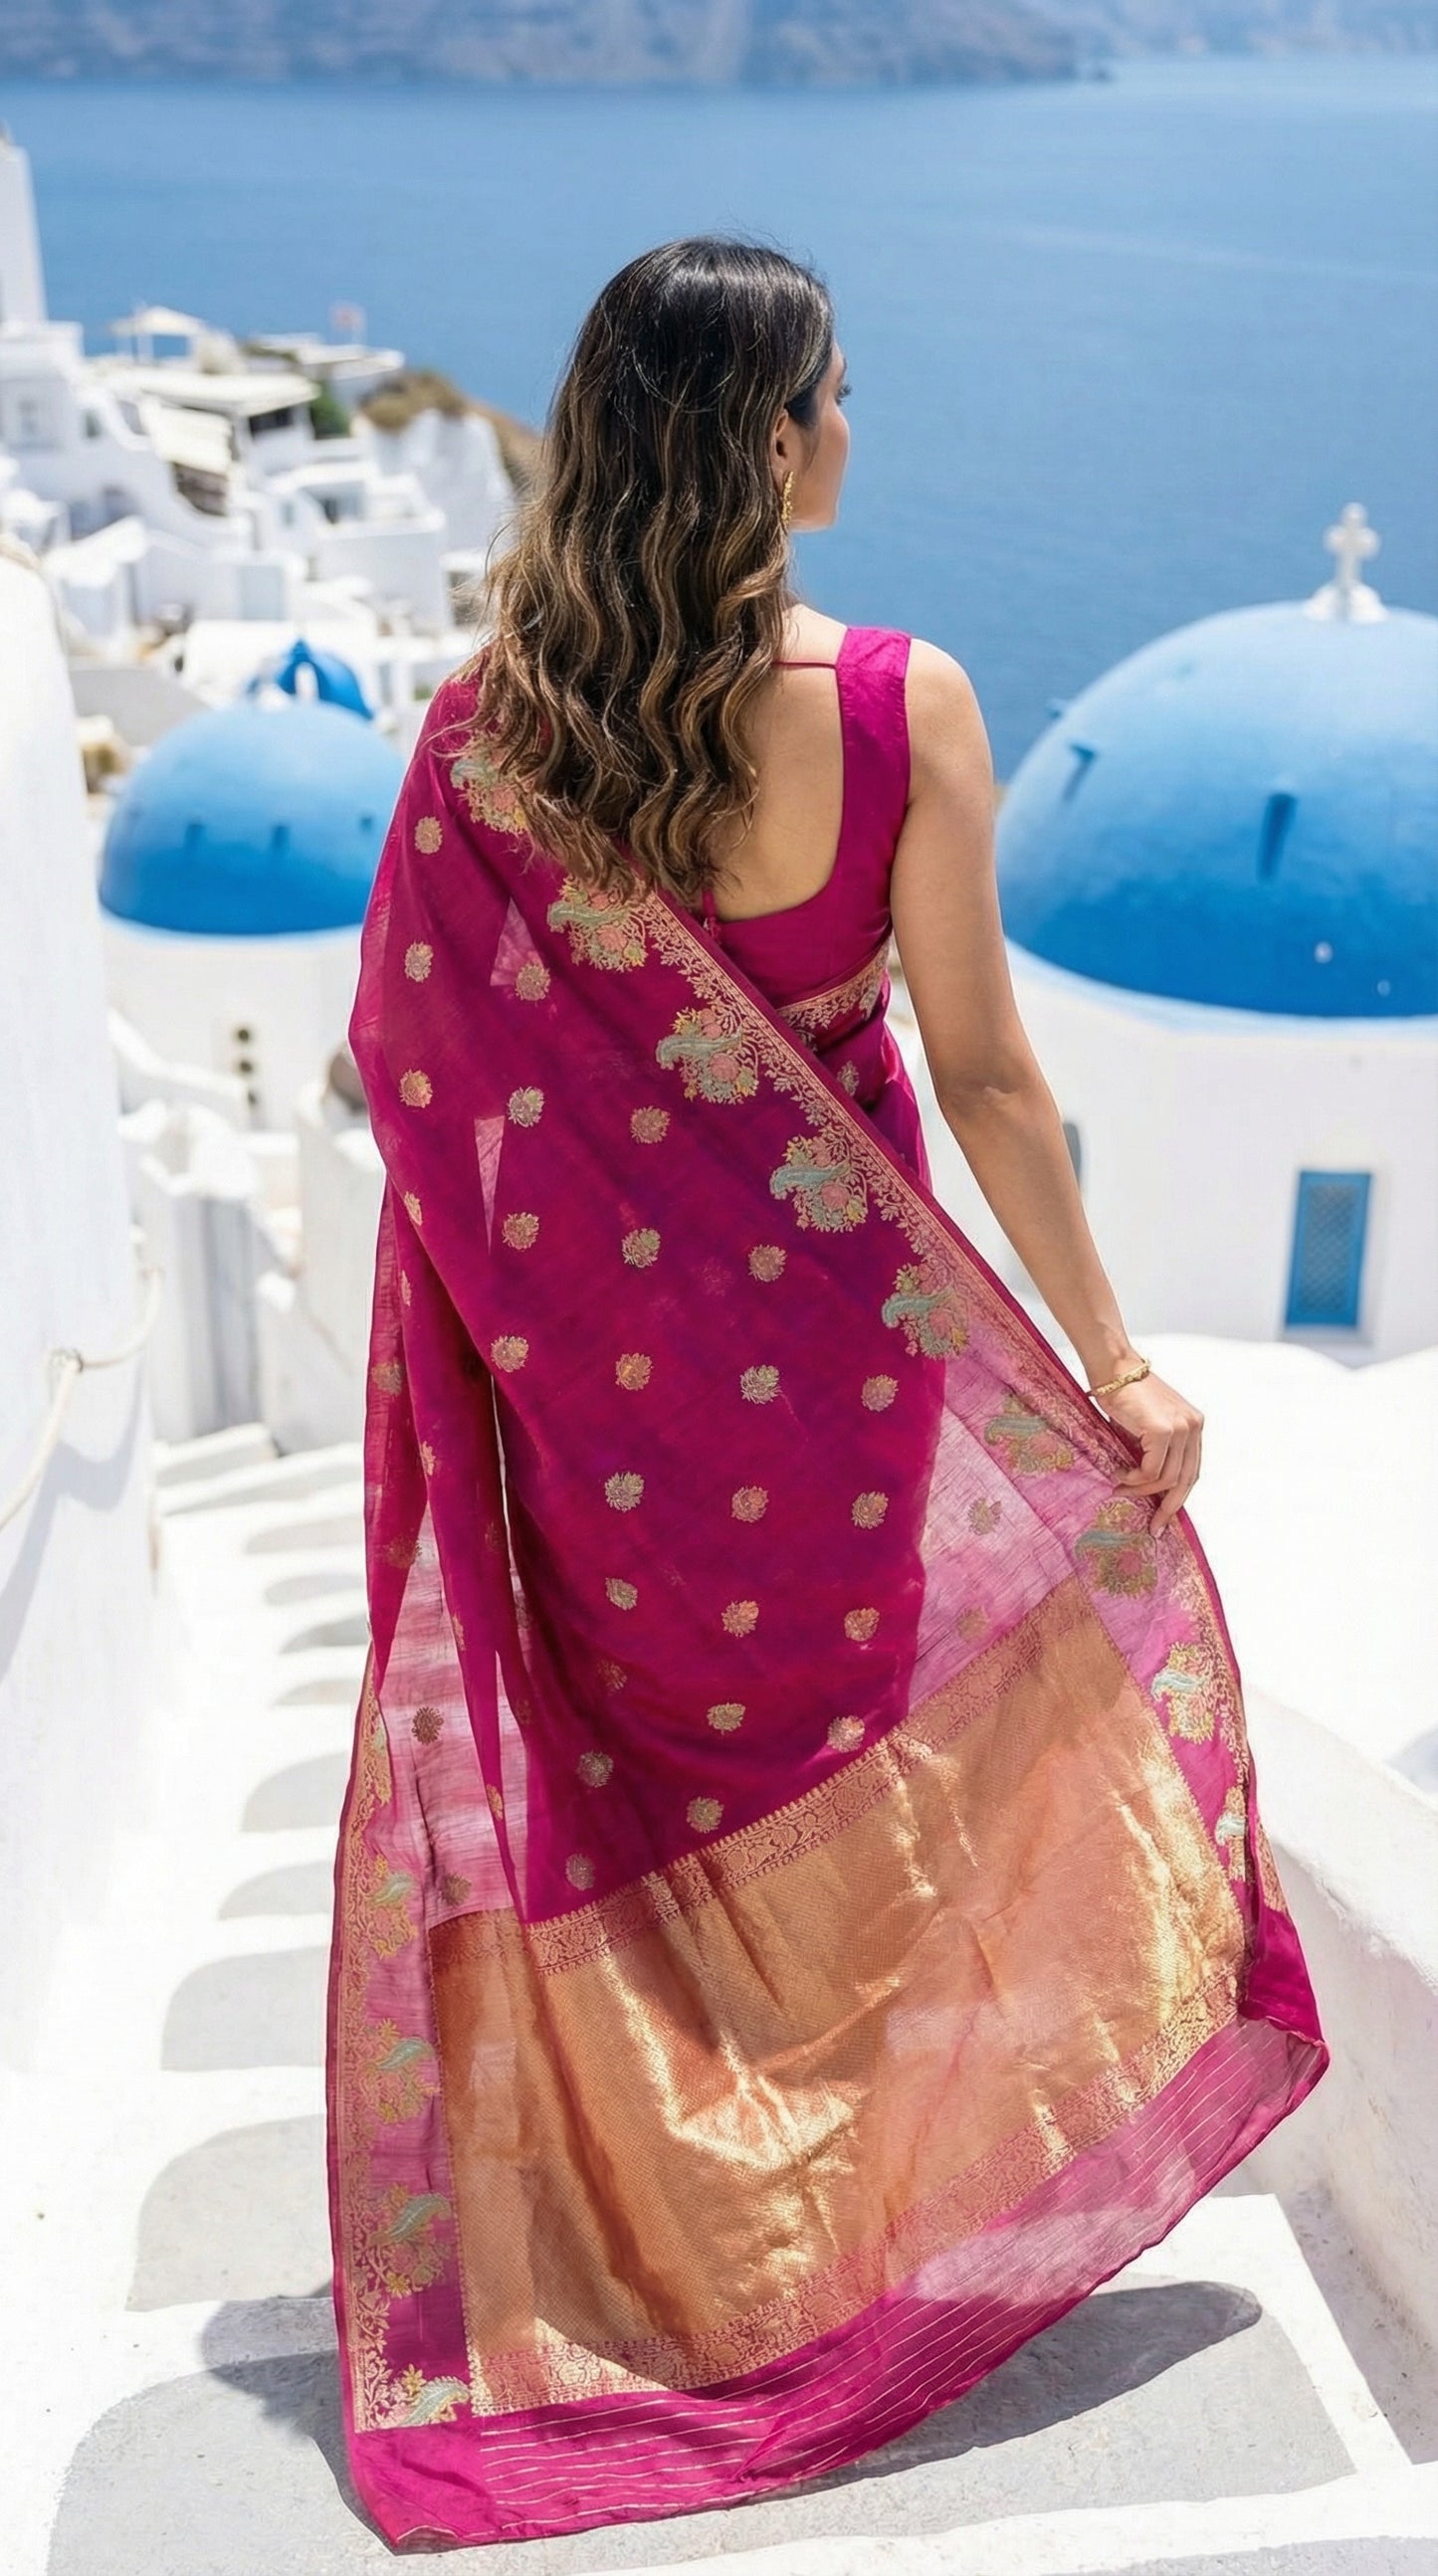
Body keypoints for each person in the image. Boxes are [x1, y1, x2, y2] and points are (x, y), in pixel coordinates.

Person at [328, 238, 1325, 2553]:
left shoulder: (489, 737)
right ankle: (848, 2235)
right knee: (870, 1767)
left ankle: (690, 2243)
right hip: (849, 1383)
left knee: (669, 1798)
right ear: (770, 444)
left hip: (616, 1416)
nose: (863, 427)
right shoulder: (900, 706)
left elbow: (406, 1058)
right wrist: (1110, 1357)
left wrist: (546, 1316)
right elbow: (984, 1076)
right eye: (840, 395)